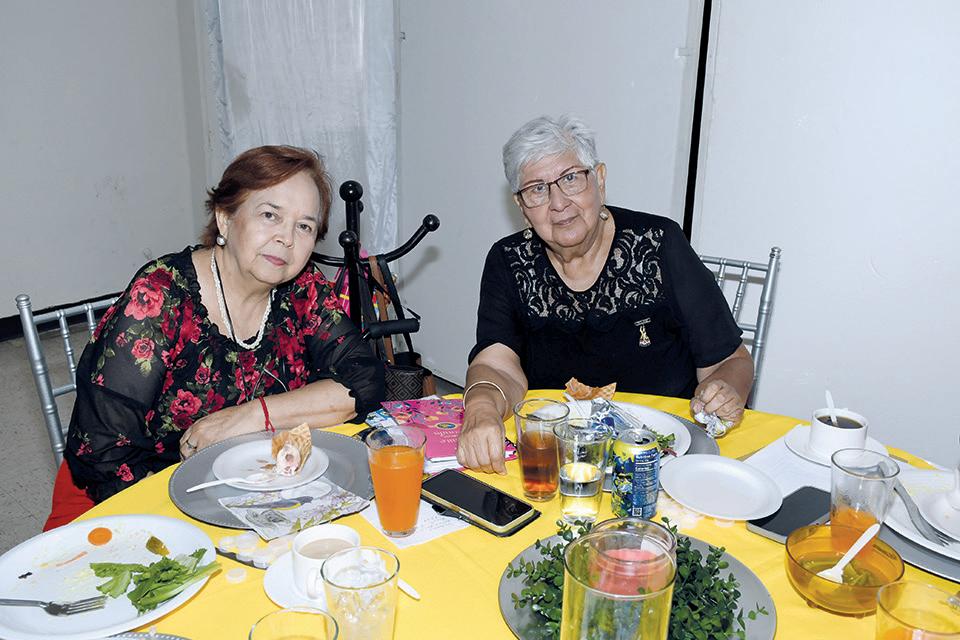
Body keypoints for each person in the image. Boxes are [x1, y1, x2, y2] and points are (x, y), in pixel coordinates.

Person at [47, 145, 385, 529]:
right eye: (270, 215)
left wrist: (251, 416)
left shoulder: (302, 287)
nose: (286, 238)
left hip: (247, 486)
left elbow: (364, 380)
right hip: (129, 496)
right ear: (225, 218)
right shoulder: (160, 298)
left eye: (304, 226)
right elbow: (104, 453)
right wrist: (201, 519)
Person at [457, 115, 754, 474]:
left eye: (571, 178)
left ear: (599, 179)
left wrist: (725, 390)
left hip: (661, 458)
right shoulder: (508, 260)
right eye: (537, 189)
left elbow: (730, 360)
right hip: (557, 460)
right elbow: (495, 365)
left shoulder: (658, 243)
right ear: (521, 207)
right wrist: (481, 408)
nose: (558, 202)